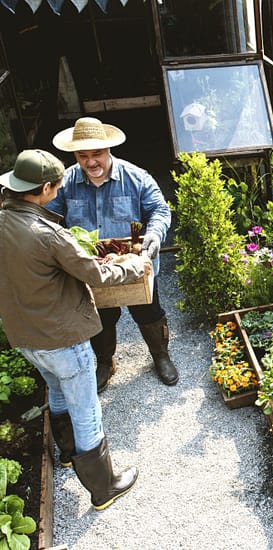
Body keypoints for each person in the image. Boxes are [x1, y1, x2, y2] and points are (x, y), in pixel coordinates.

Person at [0, 149, 150, 509]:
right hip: (61, 338)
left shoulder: (4, 220)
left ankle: (67, 453)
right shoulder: (48, 234)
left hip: (25, 335)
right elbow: (95, 273)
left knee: (56, 389)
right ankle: (104, 487)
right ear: (46, 188)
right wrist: (136, 267)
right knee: (86, 409)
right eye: (57, 186)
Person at [48, 117, 179, 391]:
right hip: (91, 266)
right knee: (99, 318)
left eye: (96, 153)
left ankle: (160, 355)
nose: (90, 162)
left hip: (132, 263)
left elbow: (160, 211)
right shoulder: (66, 182)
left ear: (108, 149)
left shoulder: (136, 177)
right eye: (83, 155)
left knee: (148, 312)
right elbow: (50, 218)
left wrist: (153, 236)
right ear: (75, 155)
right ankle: (105, 363)